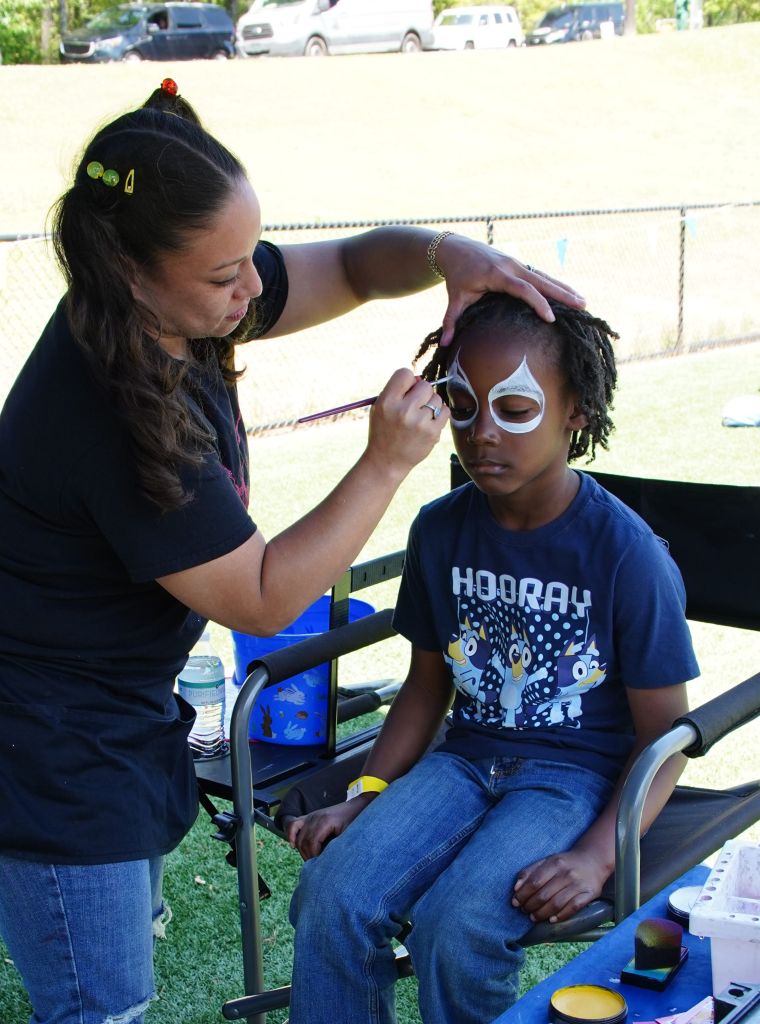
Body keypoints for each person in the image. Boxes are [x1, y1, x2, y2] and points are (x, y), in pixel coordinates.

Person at [0, 78, 585, 1024]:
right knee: (97, 1006)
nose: (253, 289)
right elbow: (267, 599)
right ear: (132, 271)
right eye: (227, 275)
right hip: (50, 749)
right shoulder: (105, 407)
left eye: (251, 261)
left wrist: (449, 255)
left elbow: (355, 265)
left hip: (115, 709)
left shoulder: (181, 302)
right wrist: (386, 462)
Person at [286, 292, 700, 1024]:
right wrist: (371, 792)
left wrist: (598, 857)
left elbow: (665, 741)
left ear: (576, 411)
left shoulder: (625, 555)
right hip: (461, 762)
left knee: (460, 924)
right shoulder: (441, 529)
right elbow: (425, 684)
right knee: (332, 896)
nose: (481, 435)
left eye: (515, 409)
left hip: (570, 780)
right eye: (462, 406)